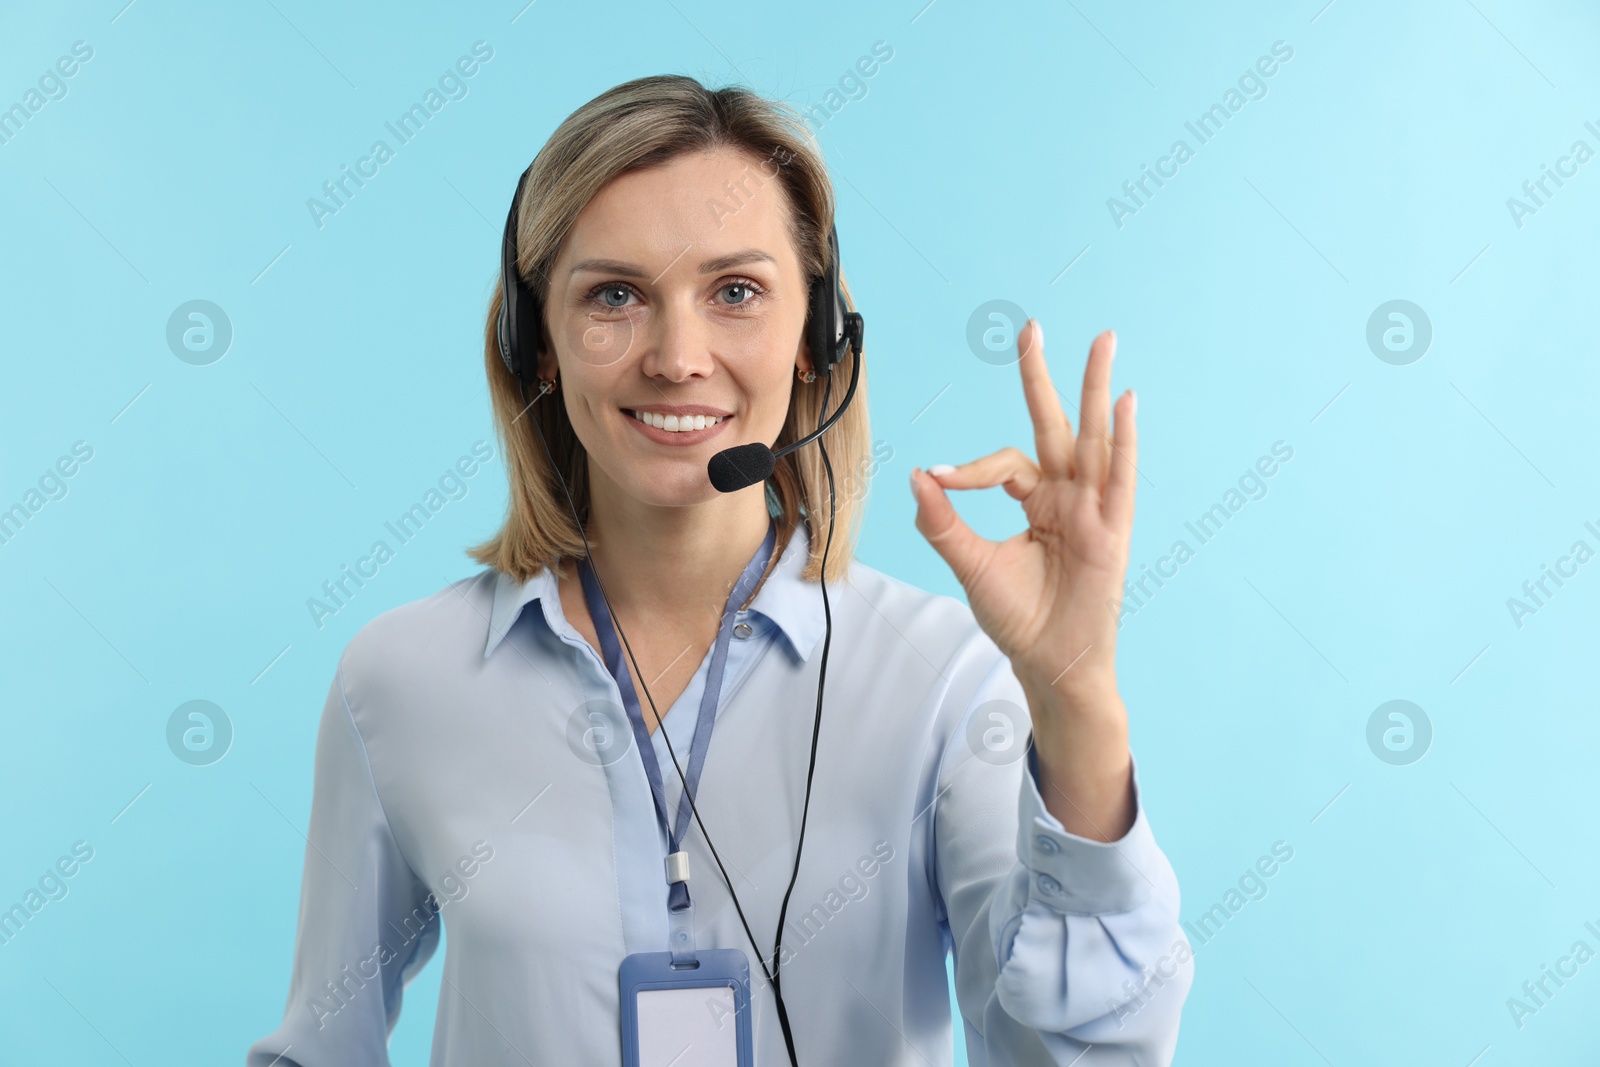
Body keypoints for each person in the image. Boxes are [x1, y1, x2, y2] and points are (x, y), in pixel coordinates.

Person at [247, 74, 1191, 1066]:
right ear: (538, 346)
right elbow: (321, 1045)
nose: (677, 356)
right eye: (615, 295)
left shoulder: (941, 681)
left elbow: (1079, 1054)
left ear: (816, 339)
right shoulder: (402, 677)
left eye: (735, 292)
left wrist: (1078, 697)